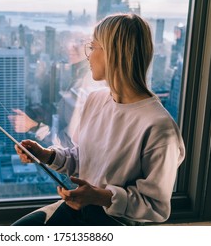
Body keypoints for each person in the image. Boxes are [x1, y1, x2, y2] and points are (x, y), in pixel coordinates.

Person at [12, 13, 185, 226]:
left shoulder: (159, 127)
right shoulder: (96, 100)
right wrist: (46, 155)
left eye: (93, 47)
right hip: (81, 210)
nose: (88, 55)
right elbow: (83, 158)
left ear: (114, 54)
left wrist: (102, 197)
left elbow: (157, 207)